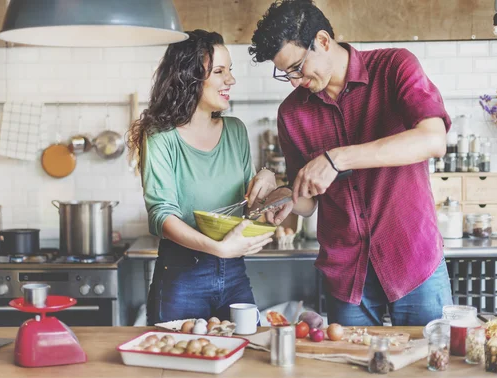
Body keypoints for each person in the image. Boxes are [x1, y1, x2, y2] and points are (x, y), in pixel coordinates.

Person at [246, 0, 453, 326]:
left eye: (297, 68)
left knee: (431, 372)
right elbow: (308, 202)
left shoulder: (394, 67)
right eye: (284, 73)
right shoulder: (291, 113)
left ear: (323, 42)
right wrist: (281, 194)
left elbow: (433, 139)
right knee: (350, 374)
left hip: (413, 261)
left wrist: (337, 157)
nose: (294, 82)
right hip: (347, 275)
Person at [128, 30, 276, 325]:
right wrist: (220, 248)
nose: (230, 80)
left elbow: (251, 208)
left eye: (229, 71)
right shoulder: (160, 137)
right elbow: (161, 216)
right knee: (176, 363)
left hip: (234, 273)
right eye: (219, 71)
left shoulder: (236, 131)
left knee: (247, 356)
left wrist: (268, 178)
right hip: (182, 276)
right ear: (190, 78)